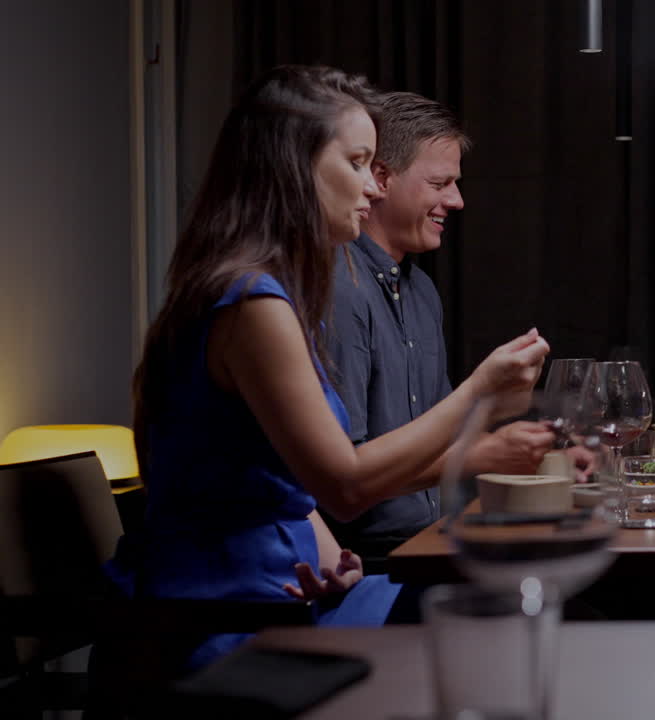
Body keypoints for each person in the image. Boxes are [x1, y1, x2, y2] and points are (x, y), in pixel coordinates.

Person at [103, 66, 549, 670]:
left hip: (289, 595)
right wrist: (479, 393)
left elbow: (286, 483)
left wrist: (329, 558)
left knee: (526, 602)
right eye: (359, 163)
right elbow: (344, 486)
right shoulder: (253, 302)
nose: (373, 188)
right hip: (227, 625)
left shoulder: (258, 290)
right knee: (519, 618)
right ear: (295, 166)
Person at [324, 92, 587, 567]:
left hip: (442, 538)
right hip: (372, 560)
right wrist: (486, 446)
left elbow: (440, 440)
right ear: (381, 179)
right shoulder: (338, 287)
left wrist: (530, 446)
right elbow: (346, 477)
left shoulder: (421, 290)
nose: (457, 200)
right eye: (440, 183)